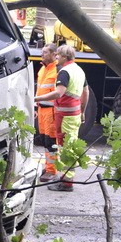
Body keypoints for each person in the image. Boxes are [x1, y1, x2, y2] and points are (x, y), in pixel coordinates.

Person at [34, 44, 88, 192]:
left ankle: (66, 182)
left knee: (66, 148)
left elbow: (58, 93)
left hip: (65, 115)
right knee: (69, 146)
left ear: (64, 57)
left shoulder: (64, 72)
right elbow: (86, 92)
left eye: (58, 55)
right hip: (74, 114)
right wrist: (82, 111)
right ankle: (65, 177)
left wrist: (36, 98)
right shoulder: (79, 70)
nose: (56, 57)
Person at [35, 43, 59, 183]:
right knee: (44, 140)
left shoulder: (57, 70)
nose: (41, 54)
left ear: (53, 54)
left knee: (51, 142)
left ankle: (52, 170)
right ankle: (49, 167)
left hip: (51, 111)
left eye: (45, 52)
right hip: (42, 110)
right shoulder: (43, 70)